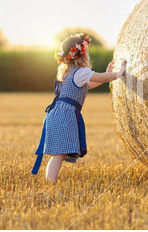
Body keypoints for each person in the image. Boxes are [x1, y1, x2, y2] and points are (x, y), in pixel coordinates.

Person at [31, 33, 126, 184]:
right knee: (58, 155)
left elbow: (90, 85)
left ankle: (50, 181)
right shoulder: (81, 72)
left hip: (56, 114)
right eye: (87, 51)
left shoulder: (70, 72)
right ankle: (50, 182)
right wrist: (118, 74)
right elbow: (100, 78)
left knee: (58, 155)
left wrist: (109, 74)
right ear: (81, 55)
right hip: (63, 115)